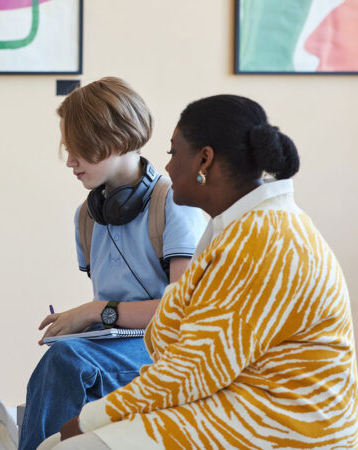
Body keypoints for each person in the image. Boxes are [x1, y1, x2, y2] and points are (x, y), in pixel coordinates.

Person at [40, 95, 358, 449]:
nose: (169, 166)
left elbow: (192, 370)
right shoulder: (234, 228)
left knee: (66, 446)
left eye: (174, 152)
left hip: (285, 423)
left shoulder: (262, 240)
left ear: (204, 159)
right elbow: (184, 335)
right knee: (56, 442)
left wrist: (90, 420)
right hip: (241, 400)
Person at [19, 77, 207, 450]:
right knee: (65, 356)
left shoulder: (174, 205)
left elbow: (181, 310)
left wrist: (94, 312)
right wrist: (82, 321)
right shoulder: (87, 217)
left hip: (168, 348)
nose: (70, 161)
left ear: (118, 141)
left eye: (79, 150)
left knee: (68, 360)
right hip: (118, 344)